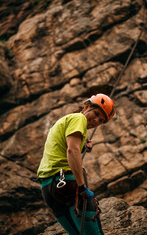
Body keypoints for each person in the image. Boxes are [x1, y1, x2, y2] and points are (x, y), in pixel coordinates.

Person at [37, 93, 115, 235]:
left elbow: (60, 146)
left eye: (101, 120)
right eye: (96, 113)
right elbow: (72, 150)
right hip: (66, 183)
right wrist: (82, 187)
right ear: (87, 106)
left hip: (48, 189)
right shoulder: (79, 118)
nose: (96, 120)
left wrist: (83, 145)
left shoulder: (60, 123)